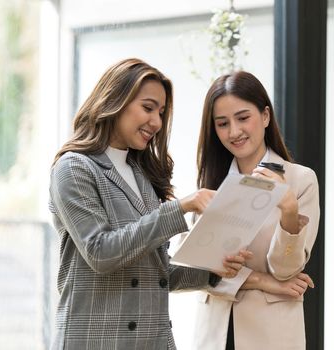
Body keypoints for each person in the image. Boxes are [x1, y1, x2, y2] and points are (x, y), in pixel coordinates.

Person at [48, 58, 247, 350]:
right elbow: (101, 252)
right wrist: (180, 208)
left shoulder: (143, 176)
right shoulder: (74, 168)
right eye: (148, 107)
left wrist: (212, 269)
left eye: (162, 112)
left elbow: (155, 272)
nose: (156, 122)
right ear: (115, 100)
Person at [190, 71, 320, 350]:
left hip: (271, 335)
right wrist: (261, 282)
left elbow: (286, 272)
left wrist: (288, 209)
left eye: (243, 118)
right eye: (222, 123)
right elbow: (193, 270)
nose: (234, 132)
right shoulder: (210, 185)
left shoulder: (301, 180)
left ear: (265, 116)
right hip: (214, 333)